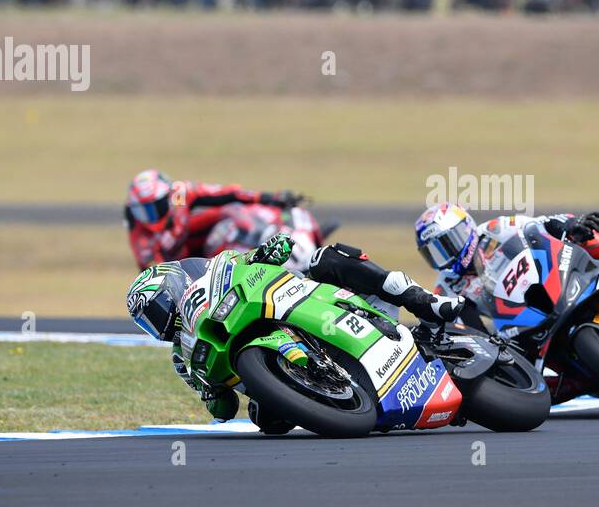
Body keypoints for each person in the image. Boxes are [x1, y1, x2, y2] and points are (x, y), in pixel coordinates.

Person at [126, 233, 462, 431]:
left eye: (154, 310)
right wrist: (213, 395)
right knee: (266, 423)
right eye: (148, 323)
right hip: (274, 374)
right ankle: (336, 389)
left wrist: (270, 251)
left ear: (173, 287)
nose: (157, 323)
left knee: (328, 257)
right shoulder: (182, 360)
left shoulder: (220, 265)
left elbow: (263, 255)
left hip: (304, 301)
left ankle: (426, 302)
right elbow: (224, 411)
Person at [414, 203, 599, 328]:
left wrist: (571, 225)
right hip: (518, 330)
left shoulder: (495, 228)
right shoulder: (447, 286)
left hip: (553, 281)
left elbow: (539, 224)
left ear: (465, 228)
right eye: (435, 252)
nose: (446, 255)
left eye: (448, 242)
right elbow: (466, 332)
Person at [124, 168, 305, 268]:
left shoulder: (180, 194)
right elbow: (156, 274)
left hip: (192, 241)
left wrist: (270, 198)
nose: (150, 216)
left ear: (168, 197)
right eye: (142, 211)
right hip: (182, 268)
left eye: (155, 207)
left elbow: (227, 193)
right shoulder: (141, 238)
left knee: (229, 212)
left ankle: (274, 238)